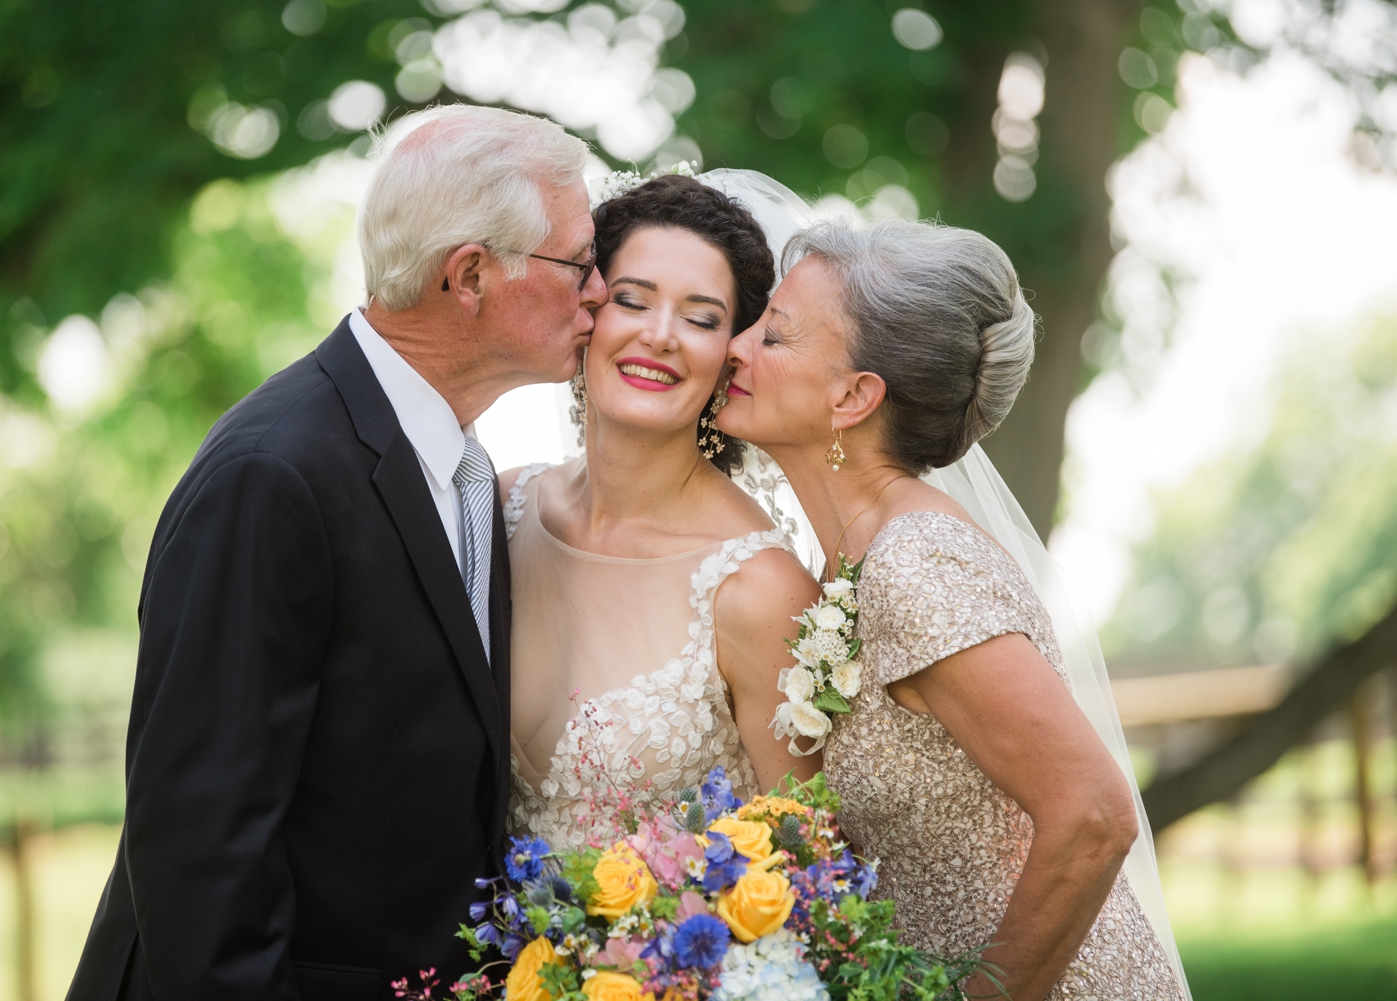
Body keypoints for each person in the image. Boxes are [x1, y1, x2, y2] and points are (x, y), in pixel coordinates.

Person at [66, 104, 606, 1001]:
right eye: (580, 263)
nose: (598, 291)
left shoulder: (471, 471)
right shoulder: (272, 476)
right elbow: (201, 844)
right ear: (469, 274)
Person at [716, 219, 1188, 1001]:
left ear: (854, 396)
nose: (735, 345)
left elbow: (1094, 814)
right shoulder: (855, 556)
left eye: (775, 336)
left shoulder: (915, 564)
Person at [503, 174, 822, 850]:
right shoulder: (501, 508)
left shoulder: (761, 589)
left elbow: (806, 858)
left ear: (731, 354)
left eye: (702, 318)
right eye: (631, 300)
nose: (660, 335)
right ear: (587, 312)